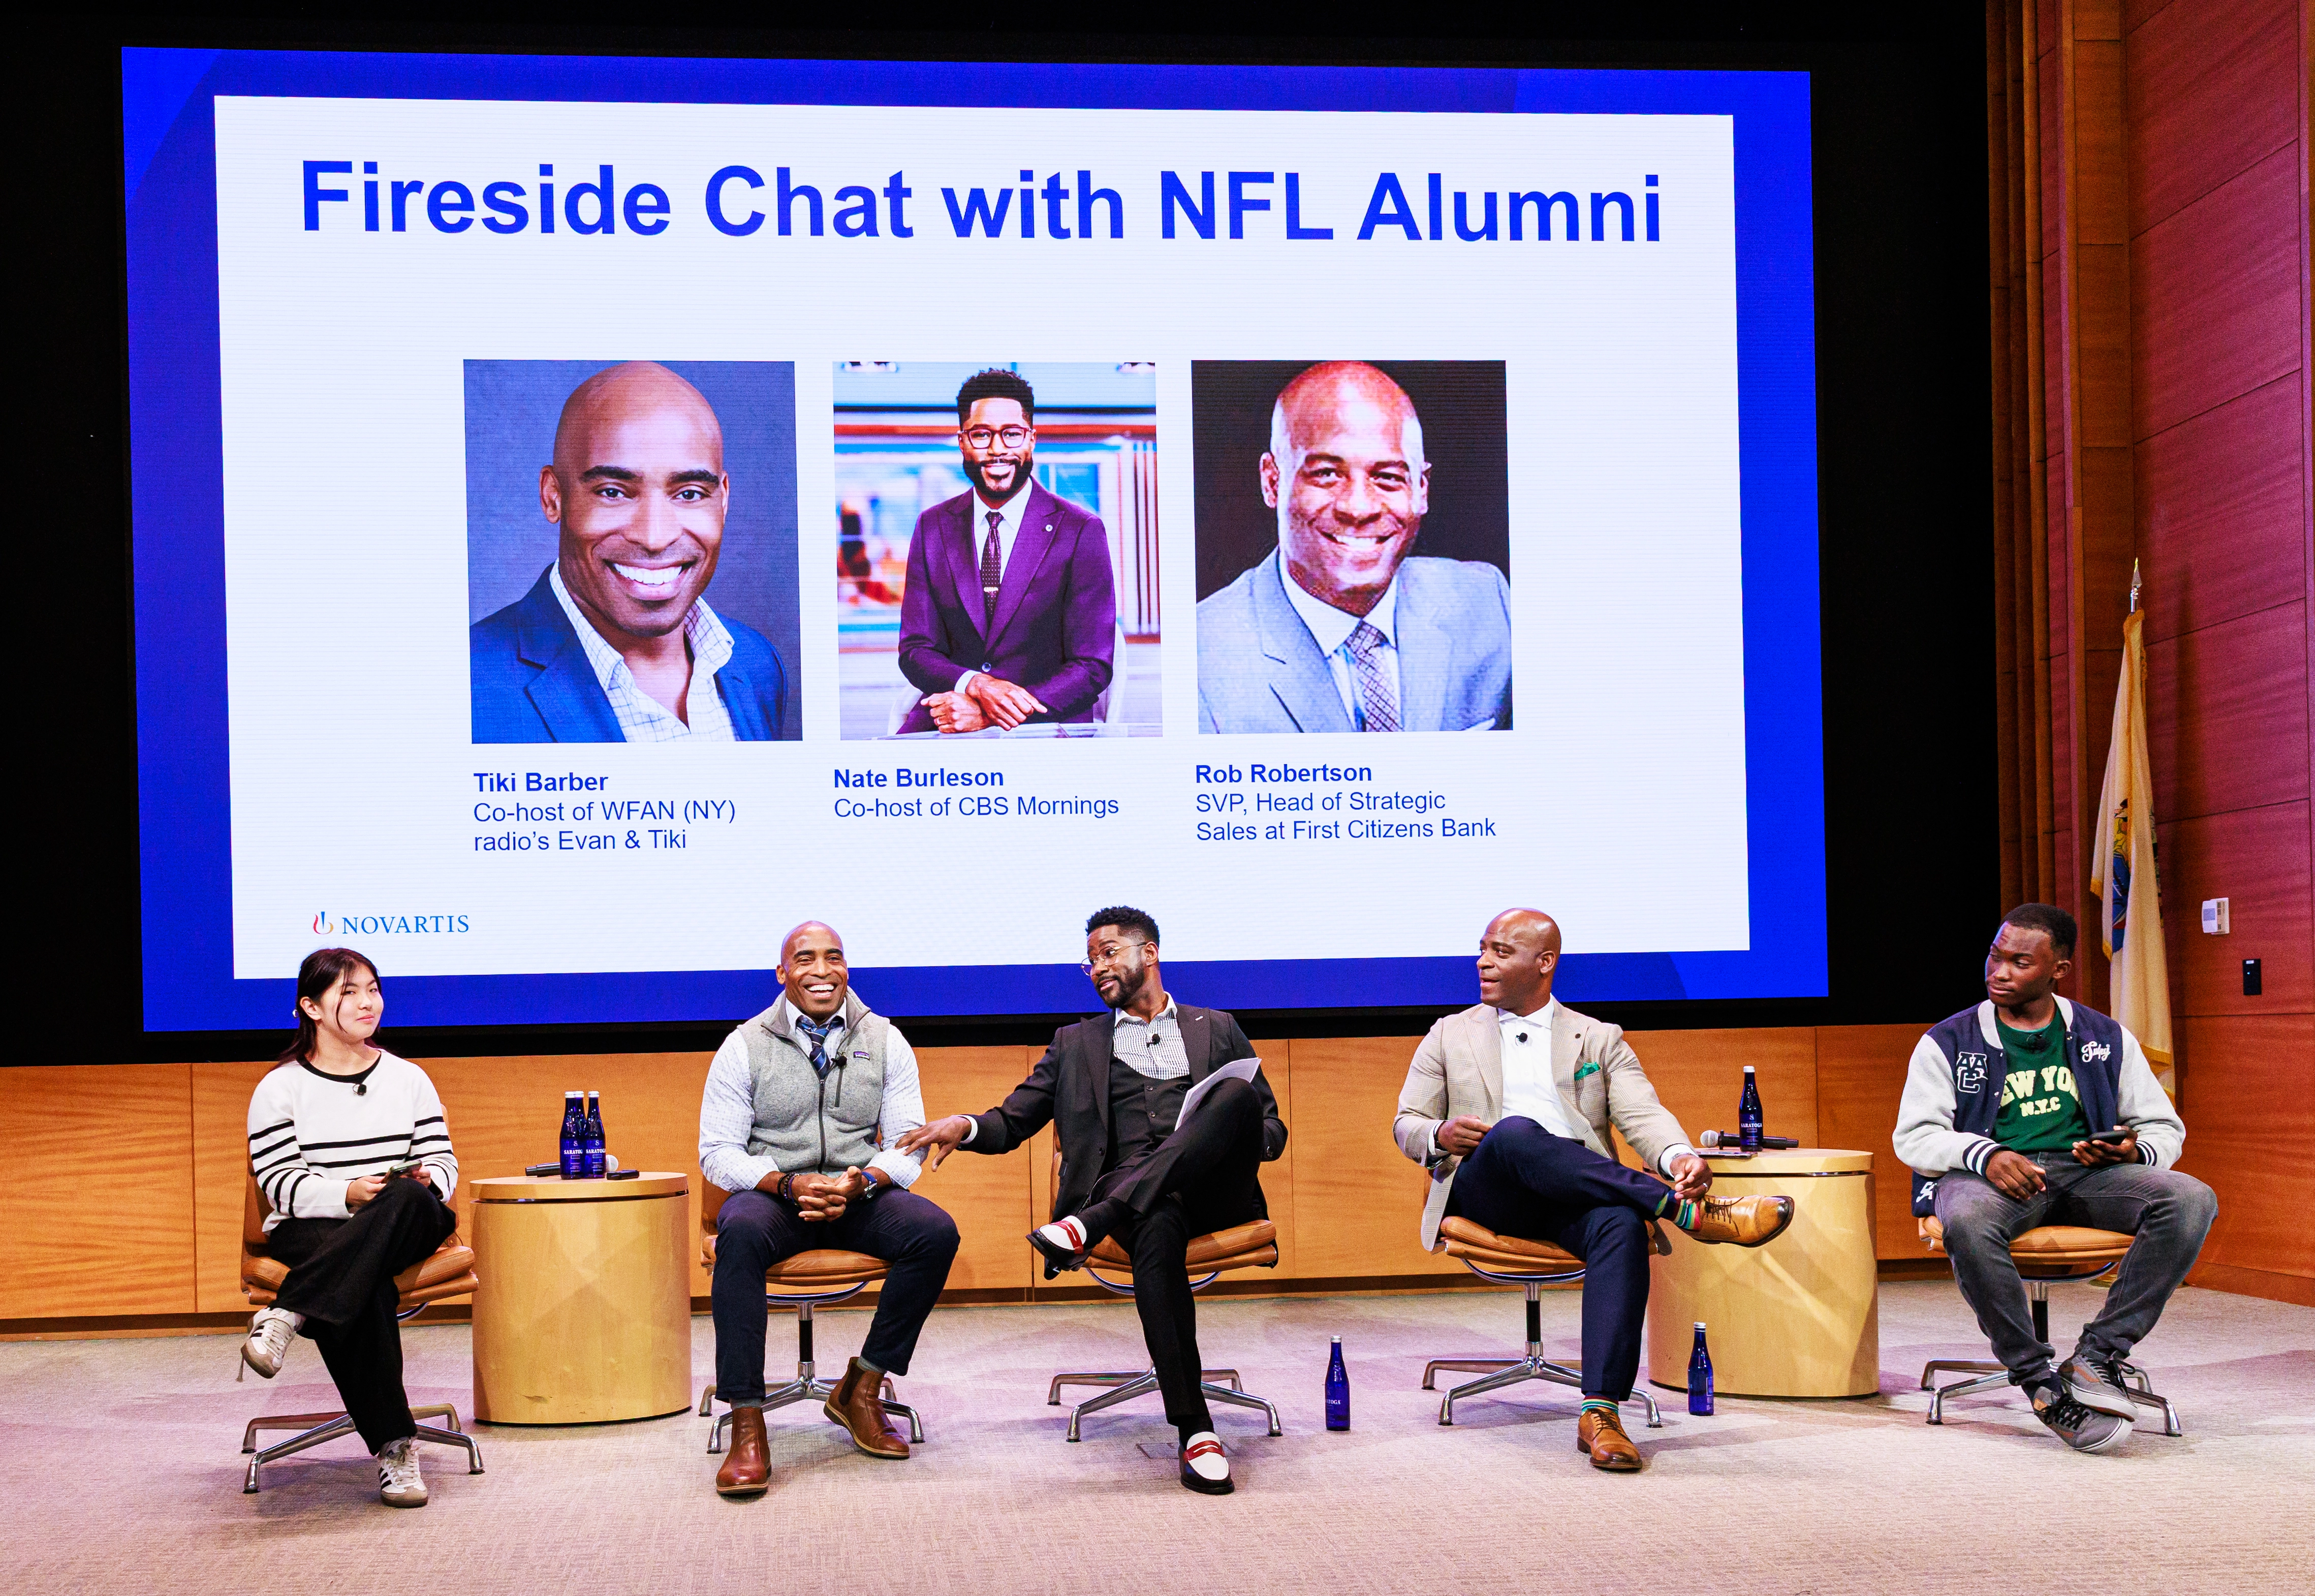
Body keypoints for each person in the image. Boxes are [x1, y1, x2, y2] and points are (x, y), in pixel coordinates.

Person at [1391, 909, 1794, 1472]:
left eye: (1501, 952)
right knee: (1513, 1135)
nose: (1483, 961)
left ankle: (1600, 1413)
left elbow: (1641, 1115)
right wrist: (1438, 1132)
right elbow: (1405, 1123)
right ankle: (1679, 1210)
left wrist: (1678, 1156)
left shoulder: (1597, 1038)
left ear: (1544, 963)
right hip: (1488, 1189)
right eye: (1482, 949)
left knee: (1621, 1222)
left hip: (1572, 1190)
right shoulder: (1449, 1033)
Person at [898, 907, 1285, 1494]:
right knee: (1155, 1219)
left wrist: (1235, 1133)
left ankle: (1090, 1224)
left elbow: (1272, 1128)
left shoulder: (1218, 1026)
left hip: (1217, 1192)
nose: (1096, 966)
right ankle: (1195, 1429)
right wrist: (965, 1126)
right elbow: (1012, 1120)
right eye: (1090, 959)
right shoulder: (1075, 1044)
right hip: (1140, 1199)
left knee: (1233, 1093)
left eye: (1108, 952)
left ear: (1148, 953)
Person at [1895, 902, 2214, 1453]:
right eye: (1995, 956)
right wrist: (1982, 1154)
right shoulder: (1946, 1041)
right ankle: (2038, 1381)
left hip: (2084, 1175)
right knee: (1966, 1219)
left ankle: (2099, 1354)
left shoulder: (2103, 1036)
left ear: (2056, 970)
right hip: (1988, 1178)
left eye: (2019, 962)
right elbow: (1914, 1137)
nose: (1999, 971)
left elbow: (2164, 1127)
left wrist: (2133, 1148)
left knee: (2190, 1199)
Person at [697, 921, 959, 1498]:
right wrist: (786, 1184)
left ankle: (861, 1388)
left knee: (935, 1233)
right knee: (736, 1237)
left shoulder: (885, 1038)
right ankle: (746, 1418)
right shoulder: (743, 1045)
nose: (822, 970)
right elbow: (716, 1153)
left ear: (846, 968)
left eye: (833, 958)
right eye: (805, 958)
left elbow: (909, 1143)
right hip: (777, 1197)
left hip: (855, 1191)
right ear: (782, 973)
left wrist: (864, 1180)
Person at [239, 948, 463, 1508]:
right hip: (315, 1227)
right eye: (349, 992)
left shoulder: (408, 1078)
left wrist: (422, 1179)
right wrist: (346, 1194)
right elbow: (280, 1185)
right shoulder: (279, 1088)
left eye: (373, 989)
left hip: (405, 1218)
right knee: (361, 1287)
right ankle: (395, 1446)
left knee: (410, 1197)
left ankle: (290, 1310)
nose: (368, 1003)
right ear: (311, 1007)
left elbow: (444, 1167)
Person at [471, 361, 788, 742]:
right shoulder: (468, 686)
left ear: (722, 500)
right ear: (553, 497)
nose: (655, 537)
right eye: (613, 492)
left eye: (689, 494)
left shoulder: (756, 665)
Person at [1197, 361, 1512, 734]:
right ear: (1272, 481)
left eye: (1389, 477)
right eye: (1326, 474)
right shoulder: (1203, 654)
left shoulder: (1487, 602)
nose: (1358, 508)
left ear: (1421, 489)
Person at [892, 368, 1117, 735]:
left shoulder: (1081, 531)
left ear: (1031, 439)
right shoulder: (932, 526)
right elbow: (916, 649)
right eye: (982, 435)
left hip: (1046, 723)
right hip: (951, 715)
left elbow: (1092, 666)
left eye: (1011, 434)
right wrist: (976, 685)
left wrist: (991, 714)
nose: (998, 449)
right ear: (963, 441)